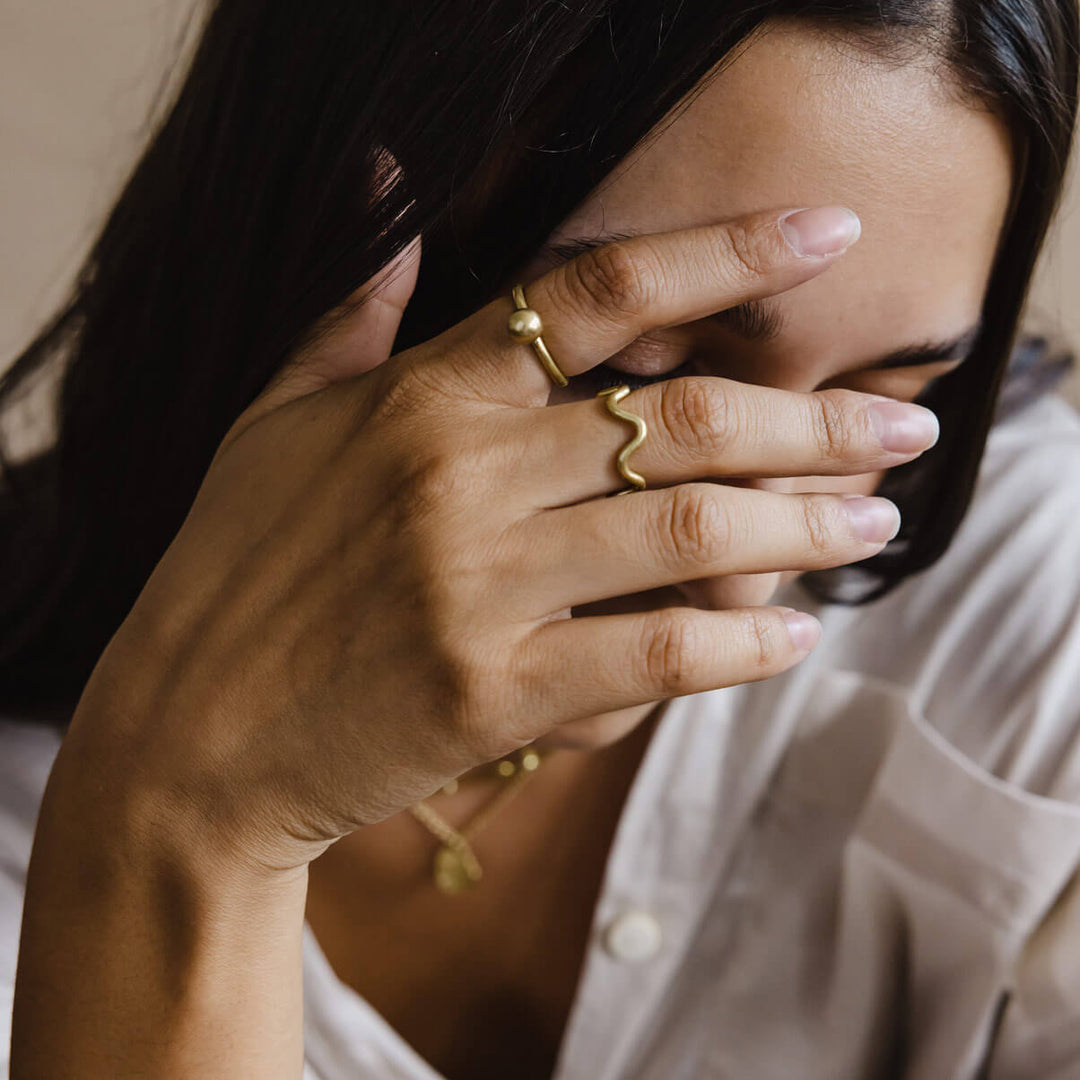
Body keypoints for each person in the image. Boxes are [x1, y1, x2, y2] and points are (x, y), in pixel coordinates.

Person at [1, 1, 1079, 1077]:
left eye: (886, 400)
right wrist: (188, 830)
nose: (744, 582)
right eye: (642, 368)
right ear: (310, 215)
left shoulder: (1030, 597)